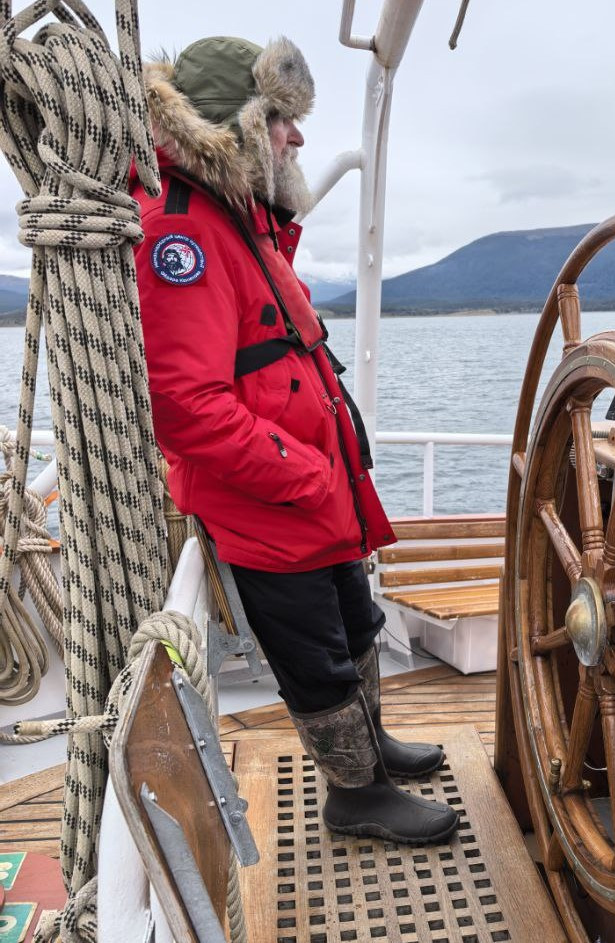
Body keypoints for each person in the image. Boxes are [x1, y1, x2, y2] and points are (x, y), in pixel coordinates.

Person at [131, 35, 458, 845]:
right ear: (233, 127)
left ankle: (371, 754)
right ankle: (354, 794)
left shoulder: (239, 222)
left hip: (312, 493)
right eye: (281, 119)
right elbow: (184, 405)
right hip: (270, 505)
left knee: (354, 627)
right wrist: (305, 473)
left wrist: (324, 476)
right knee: (315, 657)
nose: (297, 138)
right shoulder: (185, 236)